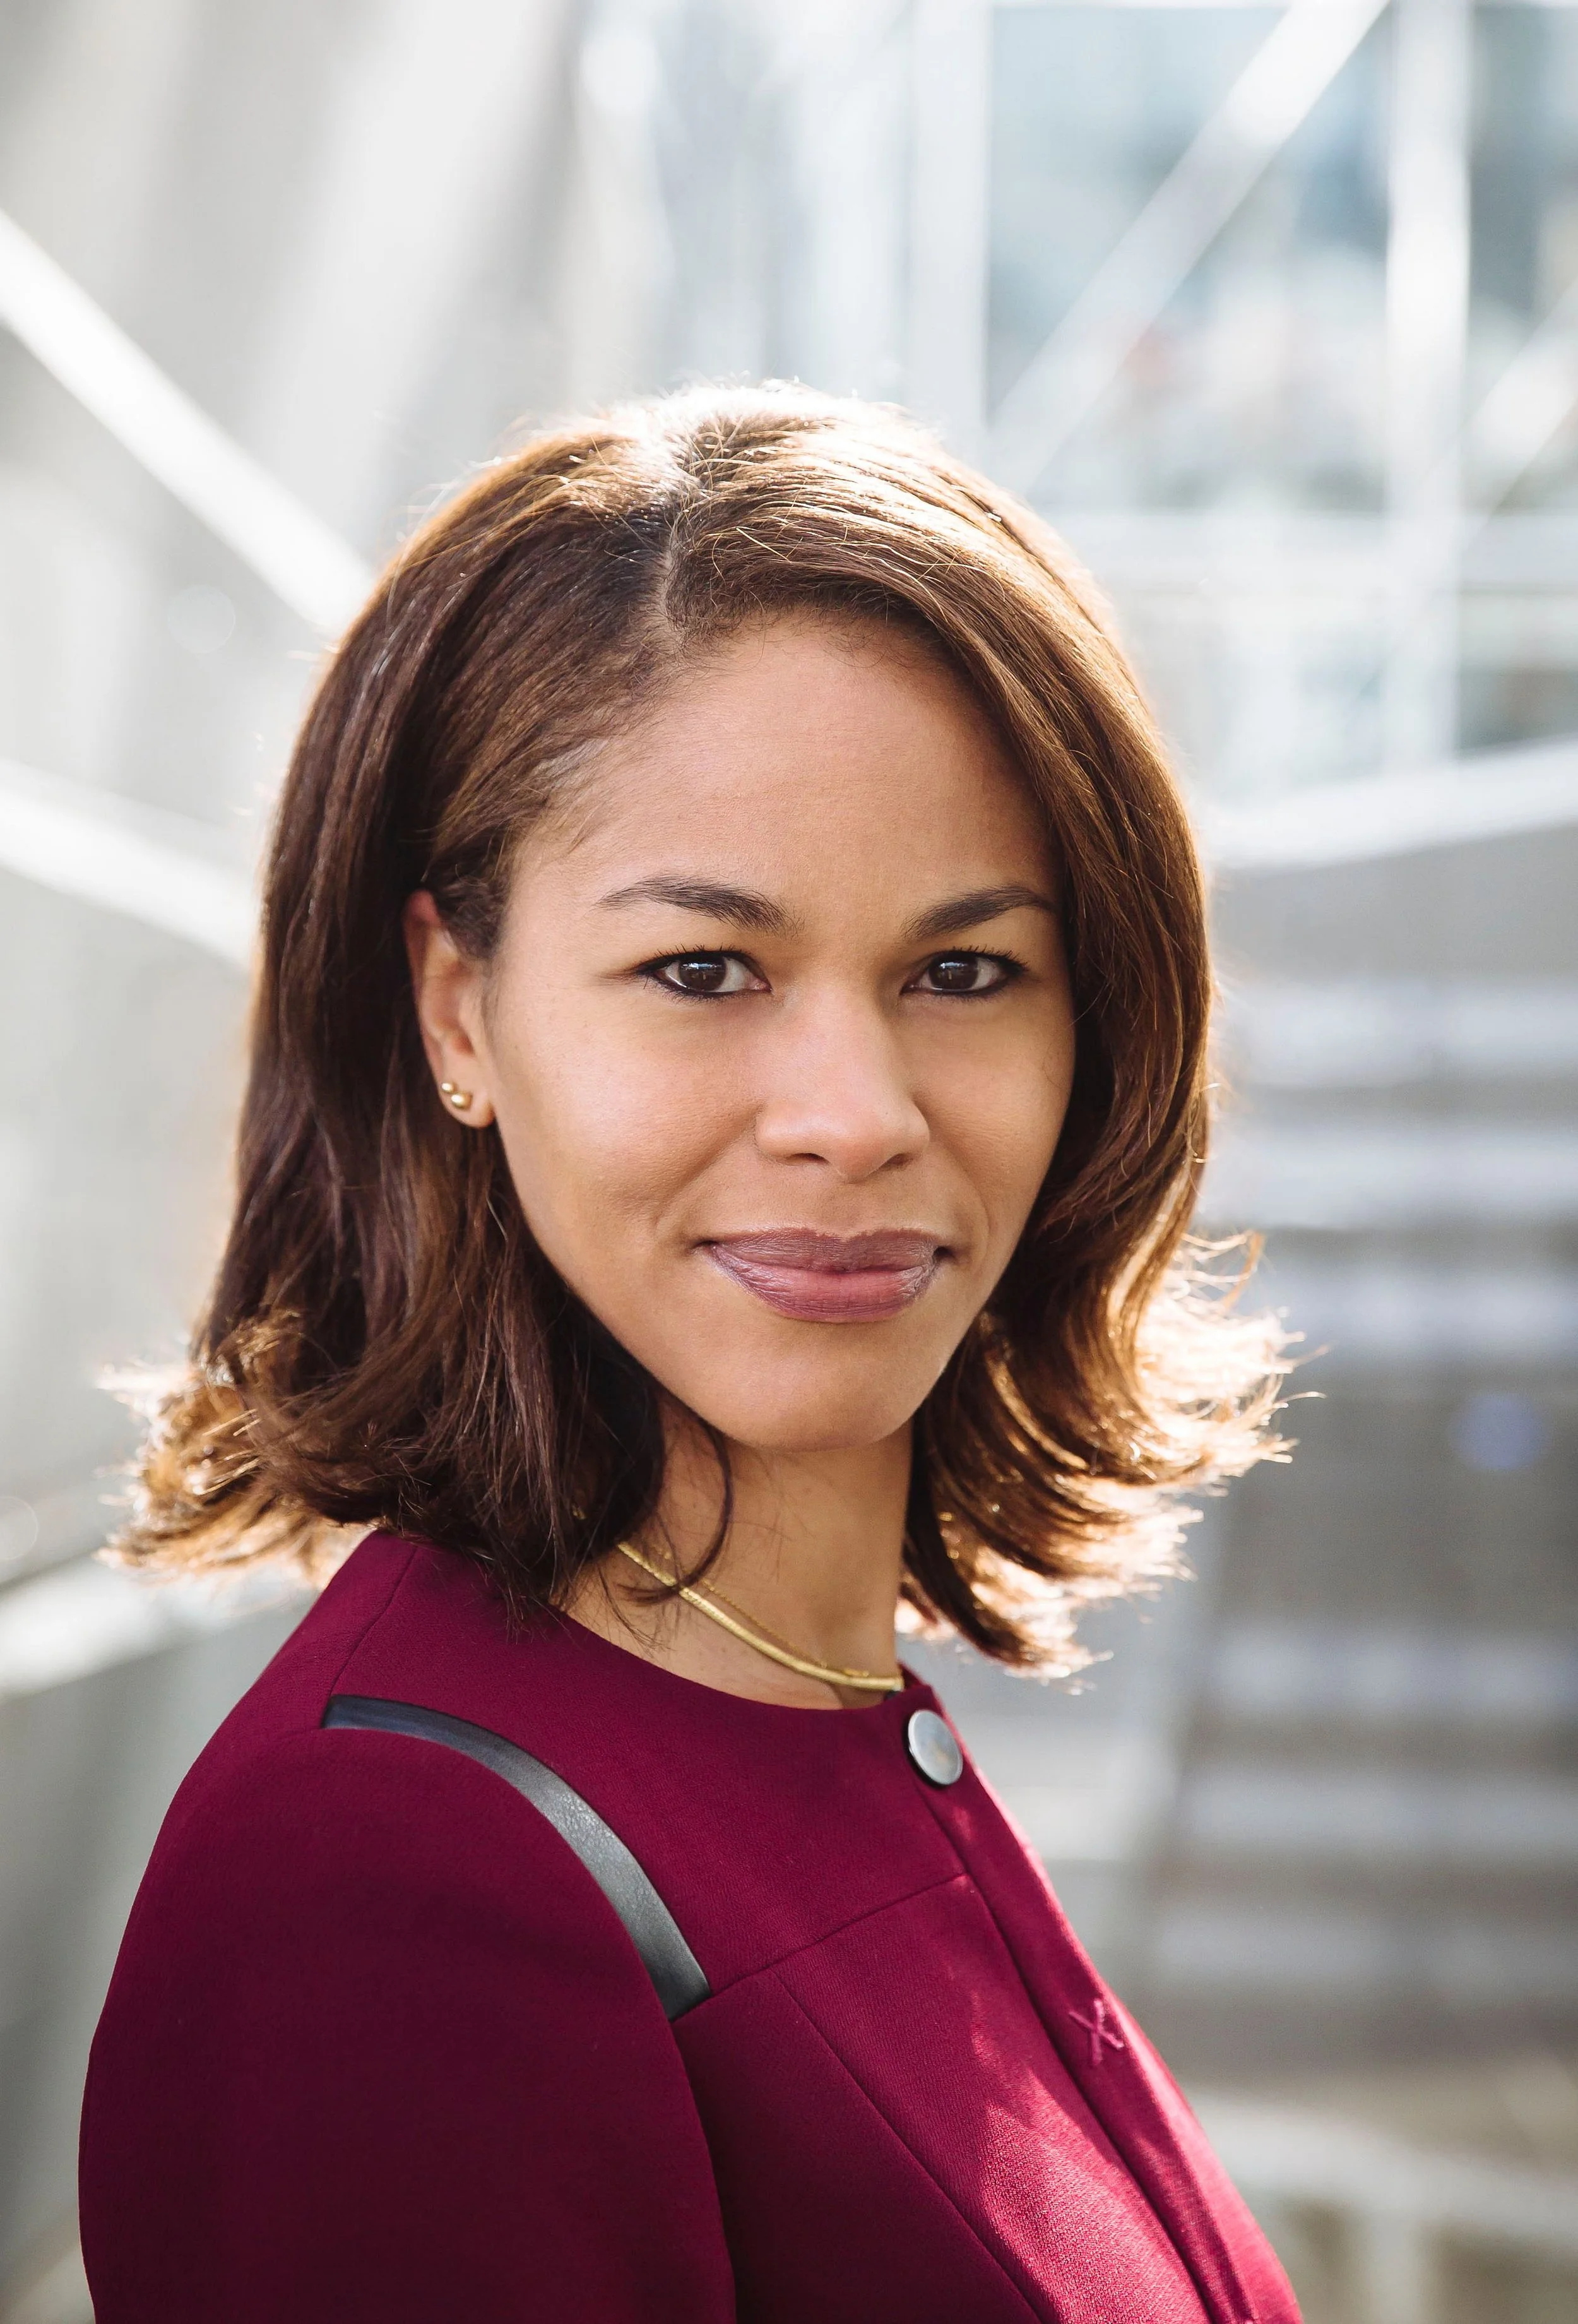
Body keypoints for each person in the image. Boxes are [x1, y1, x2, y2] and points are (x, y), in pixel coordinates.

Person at [79, 386, 1296, 2323]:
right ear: (456, 1008)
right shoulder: (388, 1881)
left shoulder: (821, 1709)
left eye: (963, 970)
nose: (853, 1112)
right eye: (703, 971)